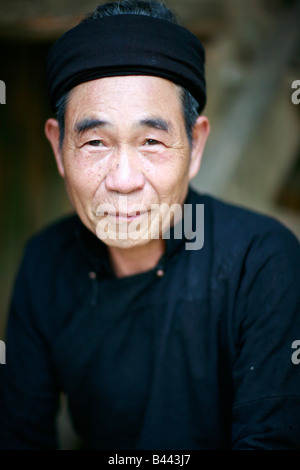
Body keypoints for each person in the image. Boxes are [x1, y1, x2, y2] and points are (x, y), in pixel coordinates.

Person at [0, 0, 300, 451]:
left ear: (195, 145)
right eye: (95, 142)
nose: (123, 181)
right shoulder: (46, 262)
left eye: (152, 141)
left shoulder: (261, 261)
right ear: (59, 148)